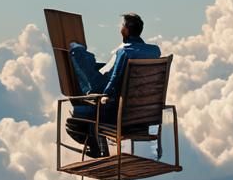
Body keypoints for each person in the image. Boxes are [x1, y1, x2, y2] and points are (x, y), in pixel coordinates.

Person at [65, 13, 162, 158]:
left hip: (116, 114)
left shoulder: (124, 52)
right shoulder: (154, 52)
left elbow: (114, 81)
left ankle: (77, 50)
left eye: (121, 25)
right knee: (97, 71)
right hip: (144, 116)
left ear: (125, 30)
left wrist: (104, 95)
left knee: (78, 114)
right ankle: (99, 146)